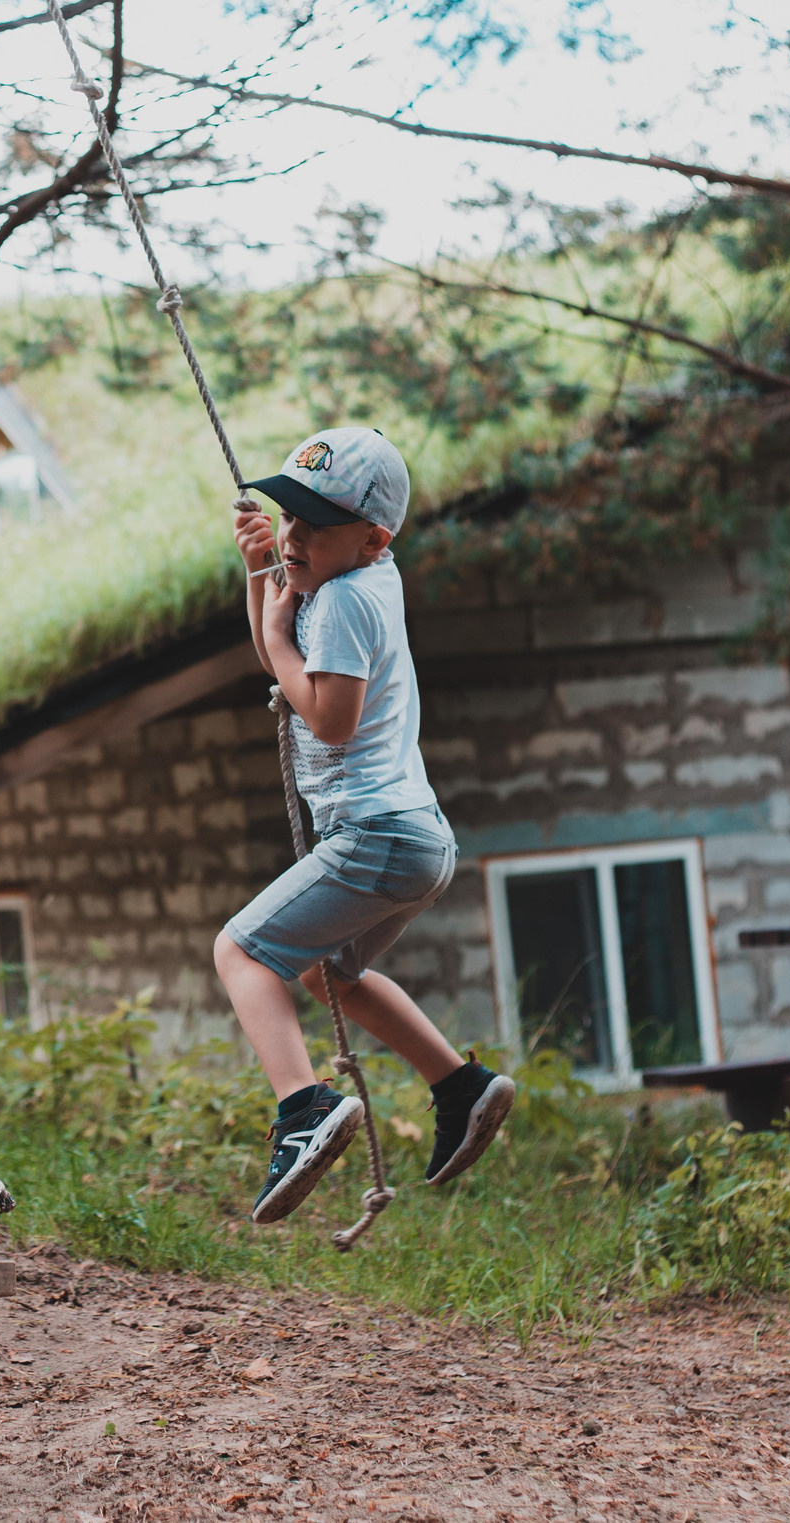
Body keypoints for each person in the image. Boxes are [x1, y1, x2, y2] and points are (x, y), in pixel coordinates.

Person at [217, 426, 516, 1224]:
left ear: (375, 534)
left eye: (317, 521)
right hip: (415, 837)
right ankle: (460, 1083)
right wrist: (262, 581)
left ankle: (304, 1107)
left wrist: (279, 633)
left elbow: (330, 716)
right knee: (325, 975)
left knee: (241, 950)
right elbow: (277, 650)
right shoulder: (362, 579)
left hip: (378, 833)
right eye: (289, 515)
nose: (295, 535)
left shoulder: (343, 600)